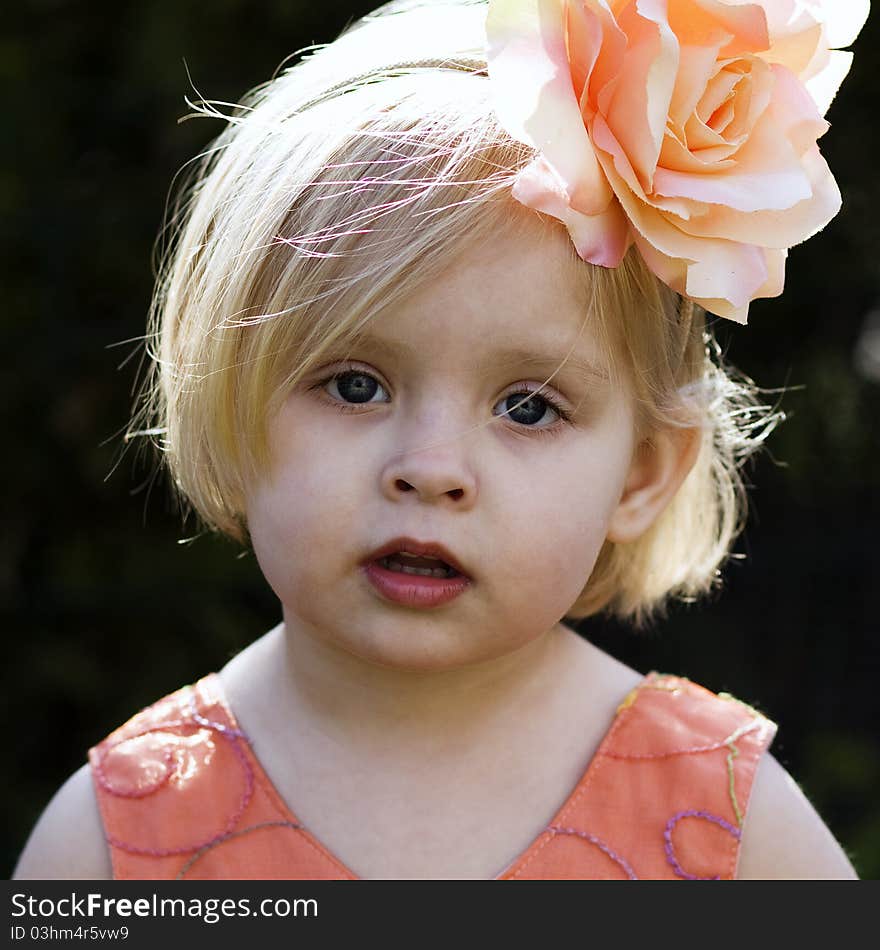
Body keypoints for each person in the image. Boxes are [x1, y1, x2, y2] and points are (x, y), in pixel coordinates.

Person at [14, 0, 867, 880]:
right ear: (228, 397)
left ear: (643, 473)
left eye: (528, 407)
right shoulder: (118, 841)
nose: (429, 471)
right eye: (354, 386)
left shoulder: (728, 828)